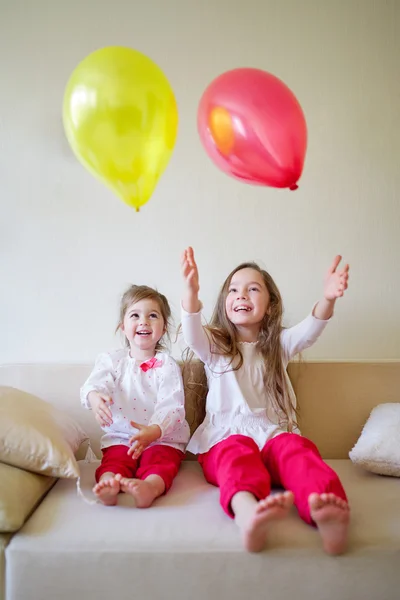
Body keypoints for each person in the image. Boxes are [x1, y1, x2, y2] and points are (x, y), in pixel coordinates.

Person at [181, 247, 350, 554]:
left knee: (298, 450)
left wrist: (327, 299)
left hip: (272, 435)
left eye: (252, 289)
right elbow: (192, 334)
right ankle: (247, 514)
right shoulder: (215, 345)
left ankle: (324, 509)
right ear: (224, 302)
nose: (241, 295)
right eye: (233, 290)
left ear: (270, 306)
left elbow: (309, 331)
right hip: (225, 437)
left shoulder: (279, 345)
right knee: (235, 454)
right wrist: (191, 294)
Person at [80, 284, 190, 507]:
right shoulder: (112, 361)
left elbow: (172, 405)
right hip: (123, 436)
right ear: (123, 326)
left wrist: (154, 431)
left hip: (162, 437)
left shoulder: (166, 365)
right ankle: (109, 484)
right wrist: (94, 397)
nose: (144, 322)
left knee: (161, 461)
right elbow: (94, 384)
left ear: (164, 327)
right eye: (135, 315)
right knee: (115, 460)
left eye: (152, 315)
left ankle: (150, 487)